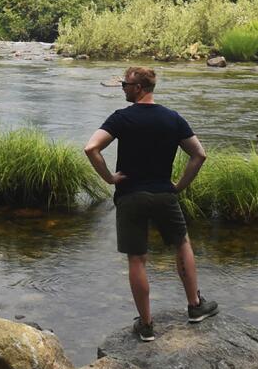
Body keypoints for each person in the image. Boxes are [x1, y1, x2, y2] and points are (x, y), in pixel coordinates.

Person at [84, 65, 217, 341]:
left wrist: (109, 178)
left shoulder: (121, 118)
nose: (122, 88)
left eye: (125, 85)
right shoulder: (172, 118)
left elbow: (91, 148)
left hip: (130, 195)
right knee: (182, 244)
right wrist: (179, 185)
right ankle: (195, 306)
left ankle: (146, 325)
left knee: (137, 258)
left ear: (139, 88)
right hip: (163, 194)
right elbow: (199, 155)